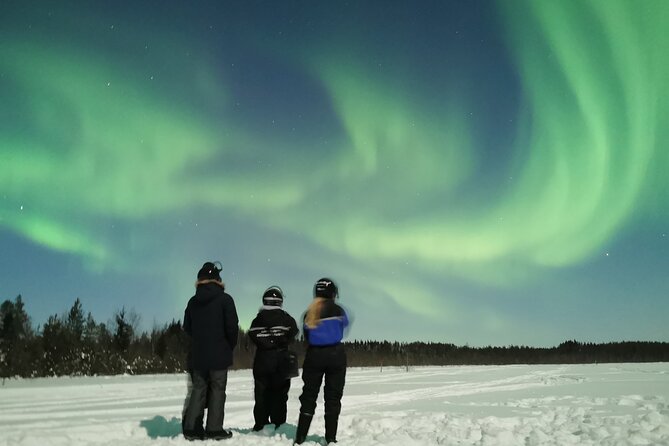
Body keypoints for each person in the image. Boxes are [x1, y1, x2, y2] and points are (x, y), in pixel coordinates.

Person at [182, 261, 239, 441]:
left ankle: (192, 429)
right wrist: (228, 345)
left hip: (198, 354)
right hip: (219, 353)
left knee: (198, 388)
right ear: (217, 279)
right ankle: (214, 429)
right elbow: (232, 327)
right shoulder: (225, 299)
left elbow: (187, 327)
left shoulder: (192, 301)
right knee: (217, 389)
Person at [294, 278, 349, 445]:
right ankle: (330, 438)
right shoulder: (339, 311)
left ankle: (300, 437)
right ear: (333, 293)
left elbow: (307, 335)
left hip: (314, 357)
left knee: (309, 396)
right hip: (336, 356)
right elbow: (344, 327)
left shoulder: (308, 314)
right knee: (333, 398)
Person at [248, 286, 299, 432]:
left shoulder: (257, 320)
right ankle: (278, 423)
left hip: (262, 360)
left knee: (261, 393)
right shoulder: (286, 319)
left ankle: (260, 423)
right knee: (280, 394)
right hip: (280, 360)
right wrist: (281, 341)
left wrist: (266, 342)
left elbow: (252, 335)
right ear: (280, 301)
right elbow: (294, 332)